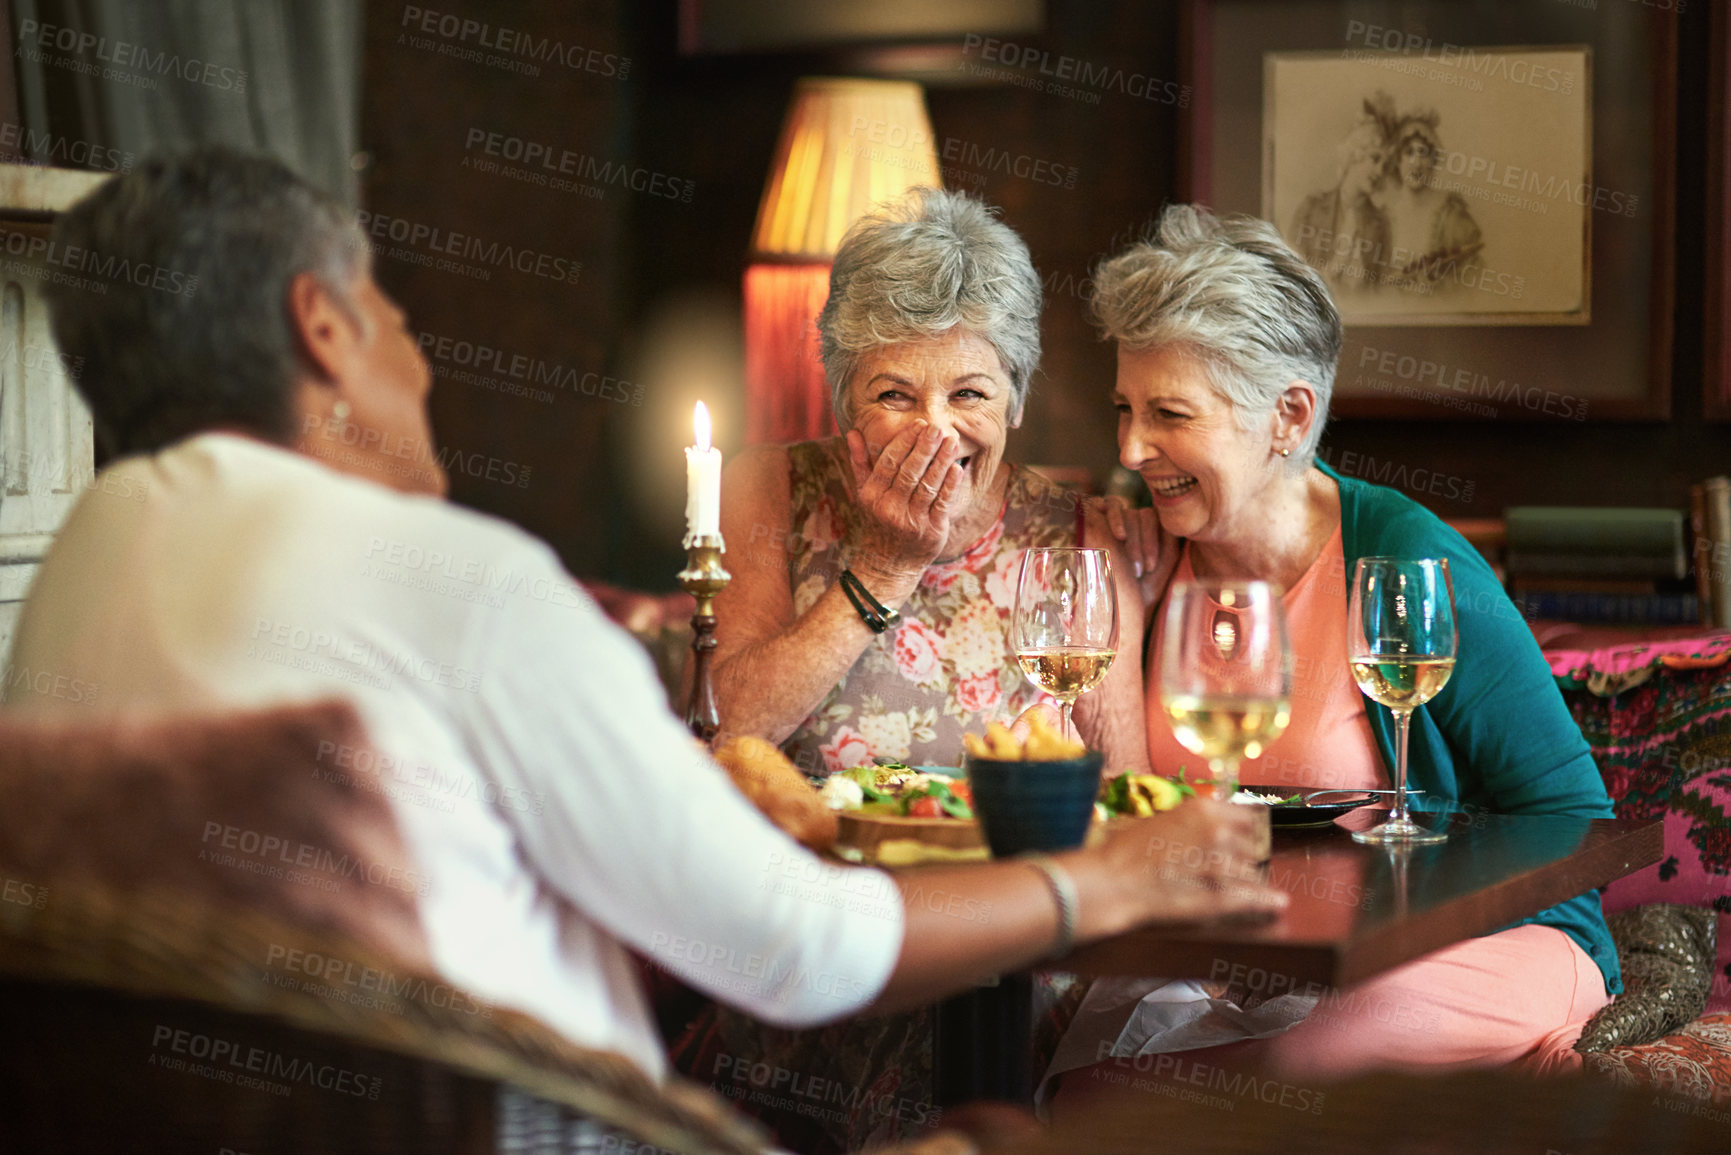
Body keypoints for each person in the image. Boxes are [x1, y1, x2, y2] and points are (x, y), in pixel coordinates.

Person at [0, 151, 1283, 1115]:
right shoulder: (465, 584)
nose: (422, 365)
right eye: (391, 317)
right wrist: (1099, 880)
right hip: (547, 1122)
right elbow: (785, 946)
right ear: (321, 328)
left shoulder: (84, 563)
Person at [1059, 204, 1618, 1098]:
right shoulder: (1143, 564)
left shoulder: (1405, 557)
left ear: (1289, 413)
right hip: (1237, 964)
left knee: (1279, 1069)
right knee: (1084, 1070)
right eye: (1124, 408)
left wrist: (1387, 909)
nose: (1128, 448)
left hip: (1465, 950)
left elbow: (1570, 815)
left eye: (1169, 413)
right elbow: (1127, 809)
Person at [712, 186, 1150, 777]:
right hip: (807, 863)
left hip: (999, 868)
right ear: (846, 405)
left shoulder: (1081, 541)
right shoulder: (770, 487)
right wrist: (884, 569)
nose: (936, 431)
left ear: (1015, 401)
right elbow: (722, 731)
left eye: (968, 393)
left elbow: (1131, 800)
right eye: (895, 394)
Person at [1289, 98, 1394, 293]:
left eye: (1385, 165)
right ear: (1355, 154)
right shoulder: (1310, 211)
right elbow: (1291, 282)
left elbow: (1383, 292)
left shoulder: (1381, 223)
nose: (1380, 172)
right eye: (1375, 159)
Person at [1381, 109, 1482, 293]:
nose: (1416, 162)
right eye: (1409, 152)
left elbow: (1473, 275)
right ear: (1397, 160)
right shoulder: (1382, 216)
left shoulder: (1451, 214)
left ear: (1432, 160)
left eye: (1423, 153)